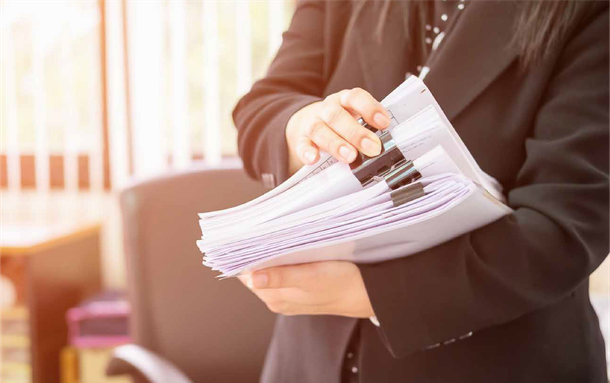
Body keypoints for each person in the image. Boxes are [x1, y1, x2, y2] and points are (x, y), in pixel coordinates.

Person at [233, 0, 610, 382]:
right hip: (309, 359)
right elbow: (264, 106)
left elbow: (566, 222)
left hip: (500, 362)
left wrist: (380, 294)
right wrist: (304, 128)